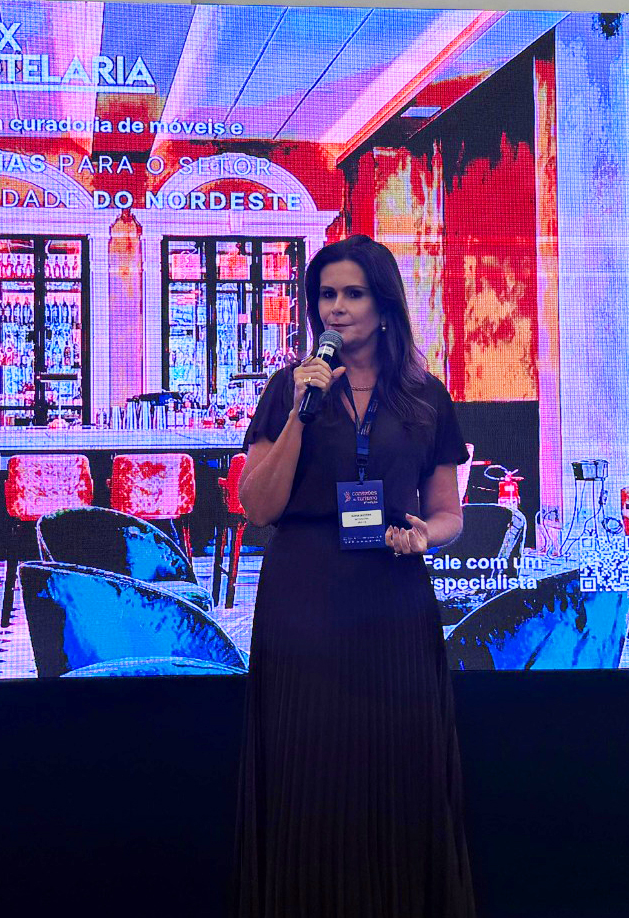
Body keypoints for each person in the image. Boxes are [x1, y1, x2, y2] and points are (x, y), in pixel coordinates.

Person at [233, 234, 477, 918]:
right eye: (325, 296)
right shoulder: (289, 389)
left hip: (393, 595)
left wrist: (425, 535)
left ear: (385, 304)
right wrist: (300, 416)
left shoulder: (425, 396)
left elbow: (448, 514)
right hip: (304, 595)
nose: (335, 309)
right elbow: (258, 507)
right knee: (309, 762)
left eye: (352, 294)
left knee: (397, 763)